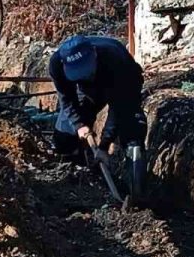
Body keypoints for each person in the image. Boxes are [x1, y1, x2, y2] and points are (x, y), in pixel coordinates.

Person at [48, 33, 147, 165]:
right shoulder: (56, 64)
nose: (85, 75)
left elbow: (118, 108)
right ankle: (76, 164)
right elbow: (67, 99)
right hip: (87, 88)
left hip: (125, 80)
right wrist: (79, 125)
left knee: (130, 126)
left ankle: (133, 168)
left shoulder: (115, 59)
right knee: (65, 134)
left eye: (86, 71)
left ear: (94, 54)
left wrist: (104, 146)